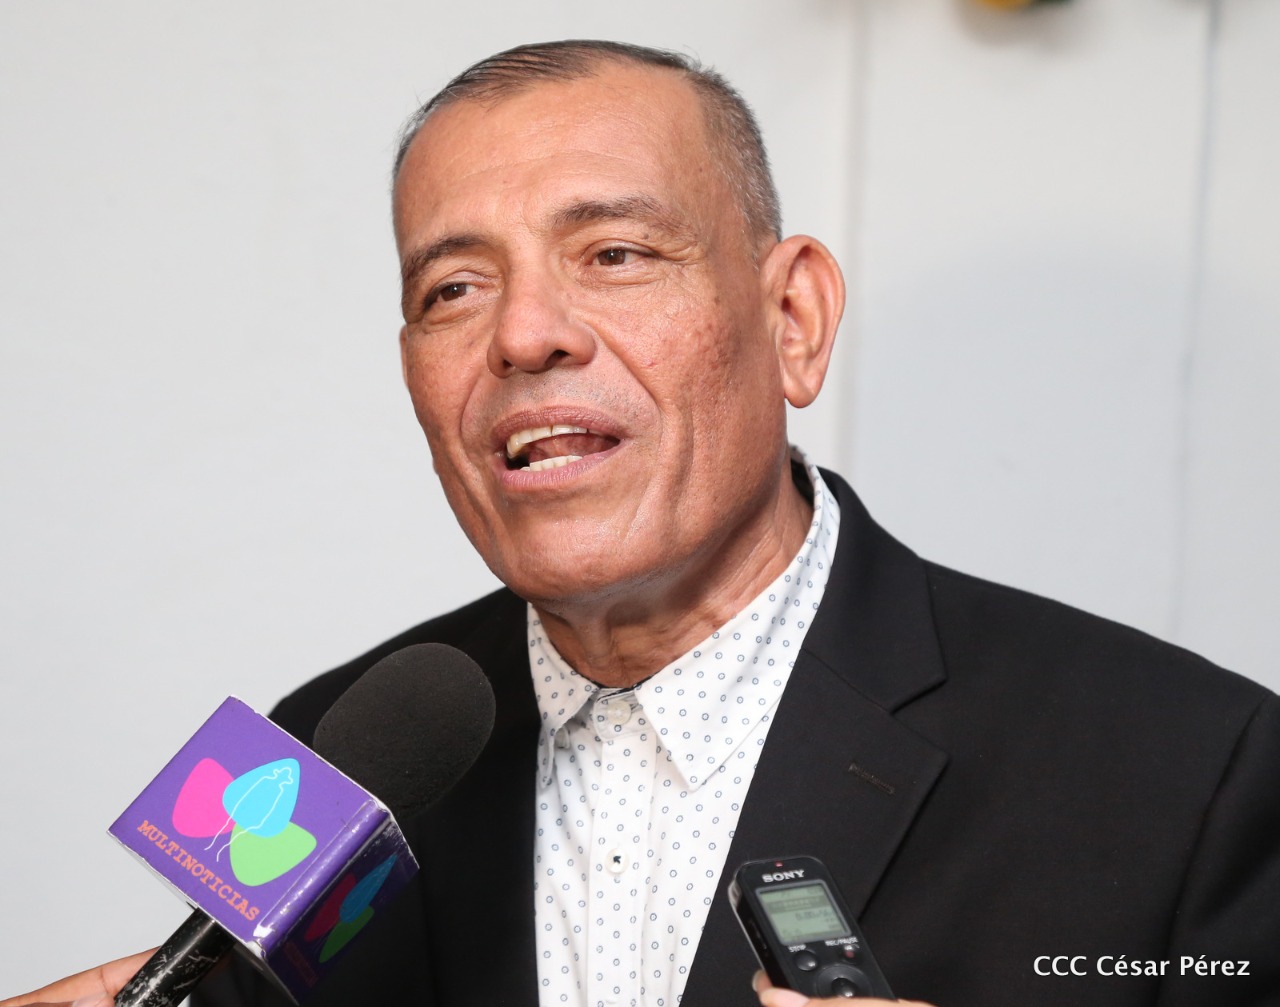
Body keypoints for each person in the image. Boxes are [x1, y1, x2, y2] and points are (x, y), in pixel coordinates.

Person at [6, 39, 1278, 1007]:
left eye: (615, 253)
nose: (522, 334)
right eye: (453, 288)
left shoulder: (1189, 772)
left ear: (791, 320)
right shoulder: (330, 759)